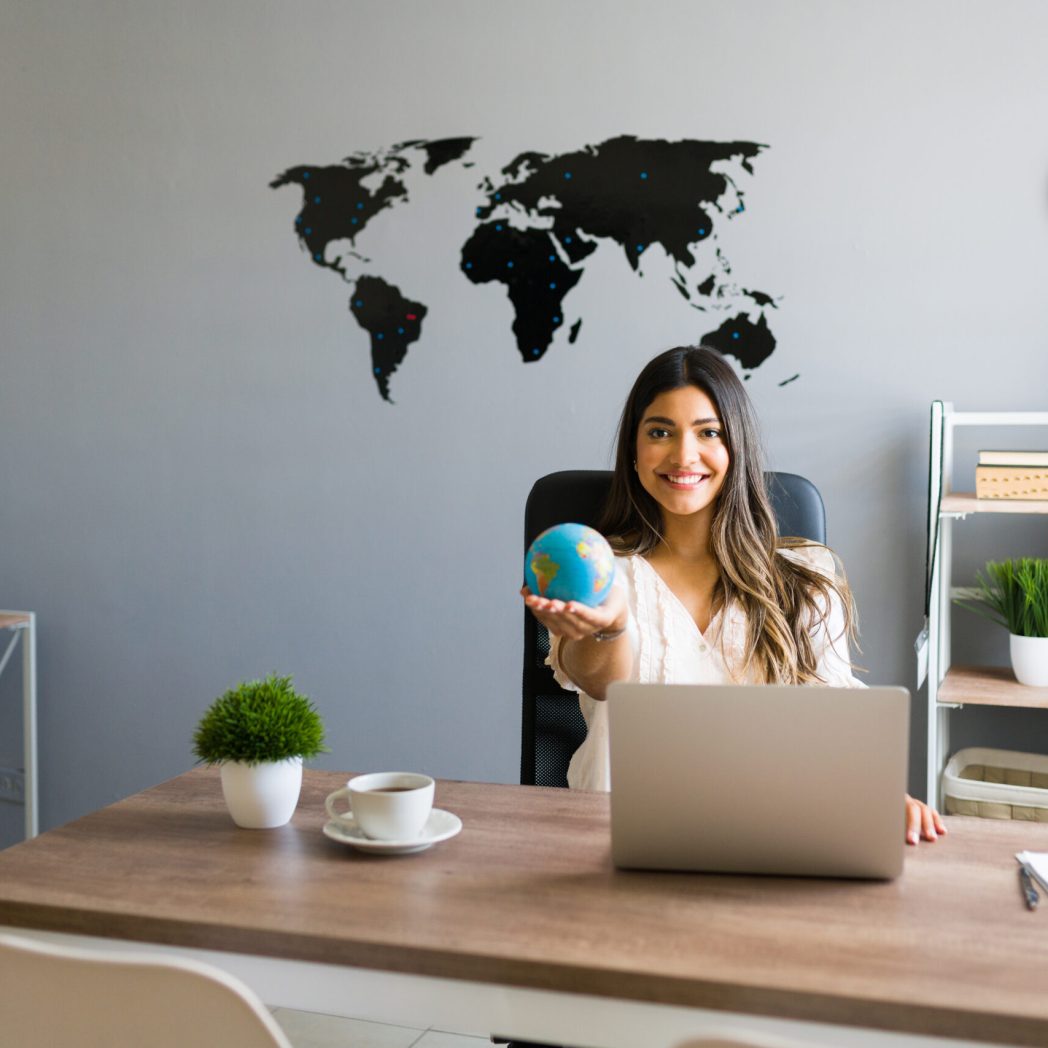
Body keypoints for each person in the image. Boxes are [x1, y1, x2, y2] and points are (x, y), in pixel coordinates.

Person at [522, 345, 944, 845]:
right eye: (660, 432)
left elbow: (833, 717)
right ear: (633, 453)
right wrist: (611, 625)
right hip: (613, 842)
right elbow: (597, 683)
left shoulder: (805, 577)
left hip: (770, 838)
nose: (683, 455)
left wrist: (877, 792)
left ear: (735, 447)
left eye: (709, 432)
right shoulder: (600, 575)